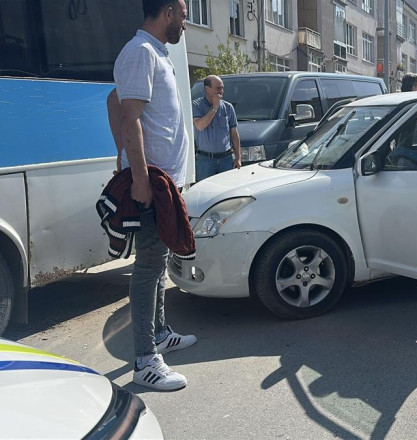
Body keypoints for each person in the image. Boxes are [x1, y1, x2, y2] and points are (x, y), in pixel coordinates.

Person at [113, 0, 196, 391]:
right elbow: (127, 114)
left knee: (158, 262)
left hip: (167, 182)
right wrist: (141, 179)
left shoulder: (157, 53)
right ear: (166, 13)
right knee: (148, 267)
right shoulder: (140, 52)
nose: (185, 20)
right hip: (153, 183)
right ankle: (145, 359)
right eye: (182, 13)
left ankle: (159, 334)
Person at [192, 75, 241, 181]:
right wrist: (214, 107)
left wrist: (238, 157)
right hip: (205, 160)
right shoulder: (196, 105)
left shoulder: (228, 107)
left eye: (222, 87)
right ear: (207, 89)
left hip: (226, 159)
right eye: (218, 88)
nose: (221, 91)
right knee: (204, 192)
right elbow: (200, 126)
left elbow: (234, 133)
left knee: (227, 191)